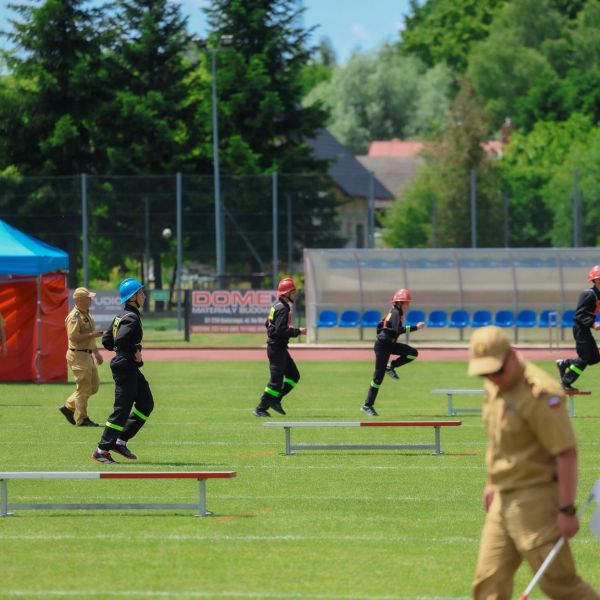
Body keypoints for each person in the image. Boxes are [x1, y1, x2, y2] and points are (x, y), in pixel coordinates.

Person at [468, 325, 599, 600]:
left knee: (559, 585)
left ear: (511, 355)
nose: (492, 378)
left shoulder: (541, 393)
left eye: (497, 371)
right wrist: (491, 482)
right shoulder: (493, 385)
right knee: (488, 585)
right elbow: (498, 440)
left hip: (536, 503)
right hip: (502, 499)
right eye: (485, 373)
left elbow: (566, 453)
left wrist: (566, 510)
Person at [91, 278, 154, 464]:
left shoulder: (122, 315)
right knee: (122, 409)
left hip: (128, 366)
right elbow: (120, 340)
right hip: (125, 367)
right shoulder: (131, 317)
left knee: (145, 404)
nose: (144, 295)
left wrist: (125, 352)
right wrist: (133, 351)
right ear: (132, 297)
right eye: (141, 293)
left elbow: (107, 341)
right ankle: (102, 450)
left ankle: (120, 441)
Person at [361, 288, 425, 416]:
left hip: (389, 344)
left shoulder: (396, 313)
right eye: (407, 303)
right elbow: (398, 330)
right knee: (378, 377)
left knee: (412, 353)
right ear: (400, 303)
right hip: (383, 346)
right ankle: (367, 405)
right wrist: (416, 327)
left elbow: (382, 328)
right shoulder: (395, 312)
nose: (408, 306)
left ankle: (391, 366)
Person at [253, 277, 306, 417]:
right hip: (276, 349)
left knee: (293, 375)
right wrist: (298, 331)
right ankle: (260, 408)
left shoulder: (277, 305)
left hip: (279, 348)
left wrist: (275, 333)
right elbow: (281, 330)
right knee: (275, 382)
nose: (295, 294)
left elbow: (268, 324)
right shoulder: (283, 308)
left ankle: (276, 400)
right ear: (286, 293)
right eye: (293, 292)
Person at [59, 287, 104, 427]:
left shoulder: (86, 314)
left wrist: (96, 353)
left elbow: (89, 337)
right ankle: (82, 419)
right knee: (84, 388)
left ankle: (68, 407)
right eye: (88, 298)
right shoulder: (74, 316)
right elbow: (73, 337)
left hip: (87, 355)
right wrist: (92, 335)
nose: (91, 300)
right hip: (78, 355)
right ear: (79, 300)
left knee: (93, 387)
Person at [556, 264, 600, 391]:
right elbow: (579, 315)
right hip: (580, 328)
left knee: (594, 358)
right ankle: (565, 383)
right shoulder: (588, 294)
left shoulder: (598, 294)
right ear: (595, 280)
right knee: (585, 358)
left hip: (585, 328)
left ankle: (564, 364)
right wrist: (593, 324)